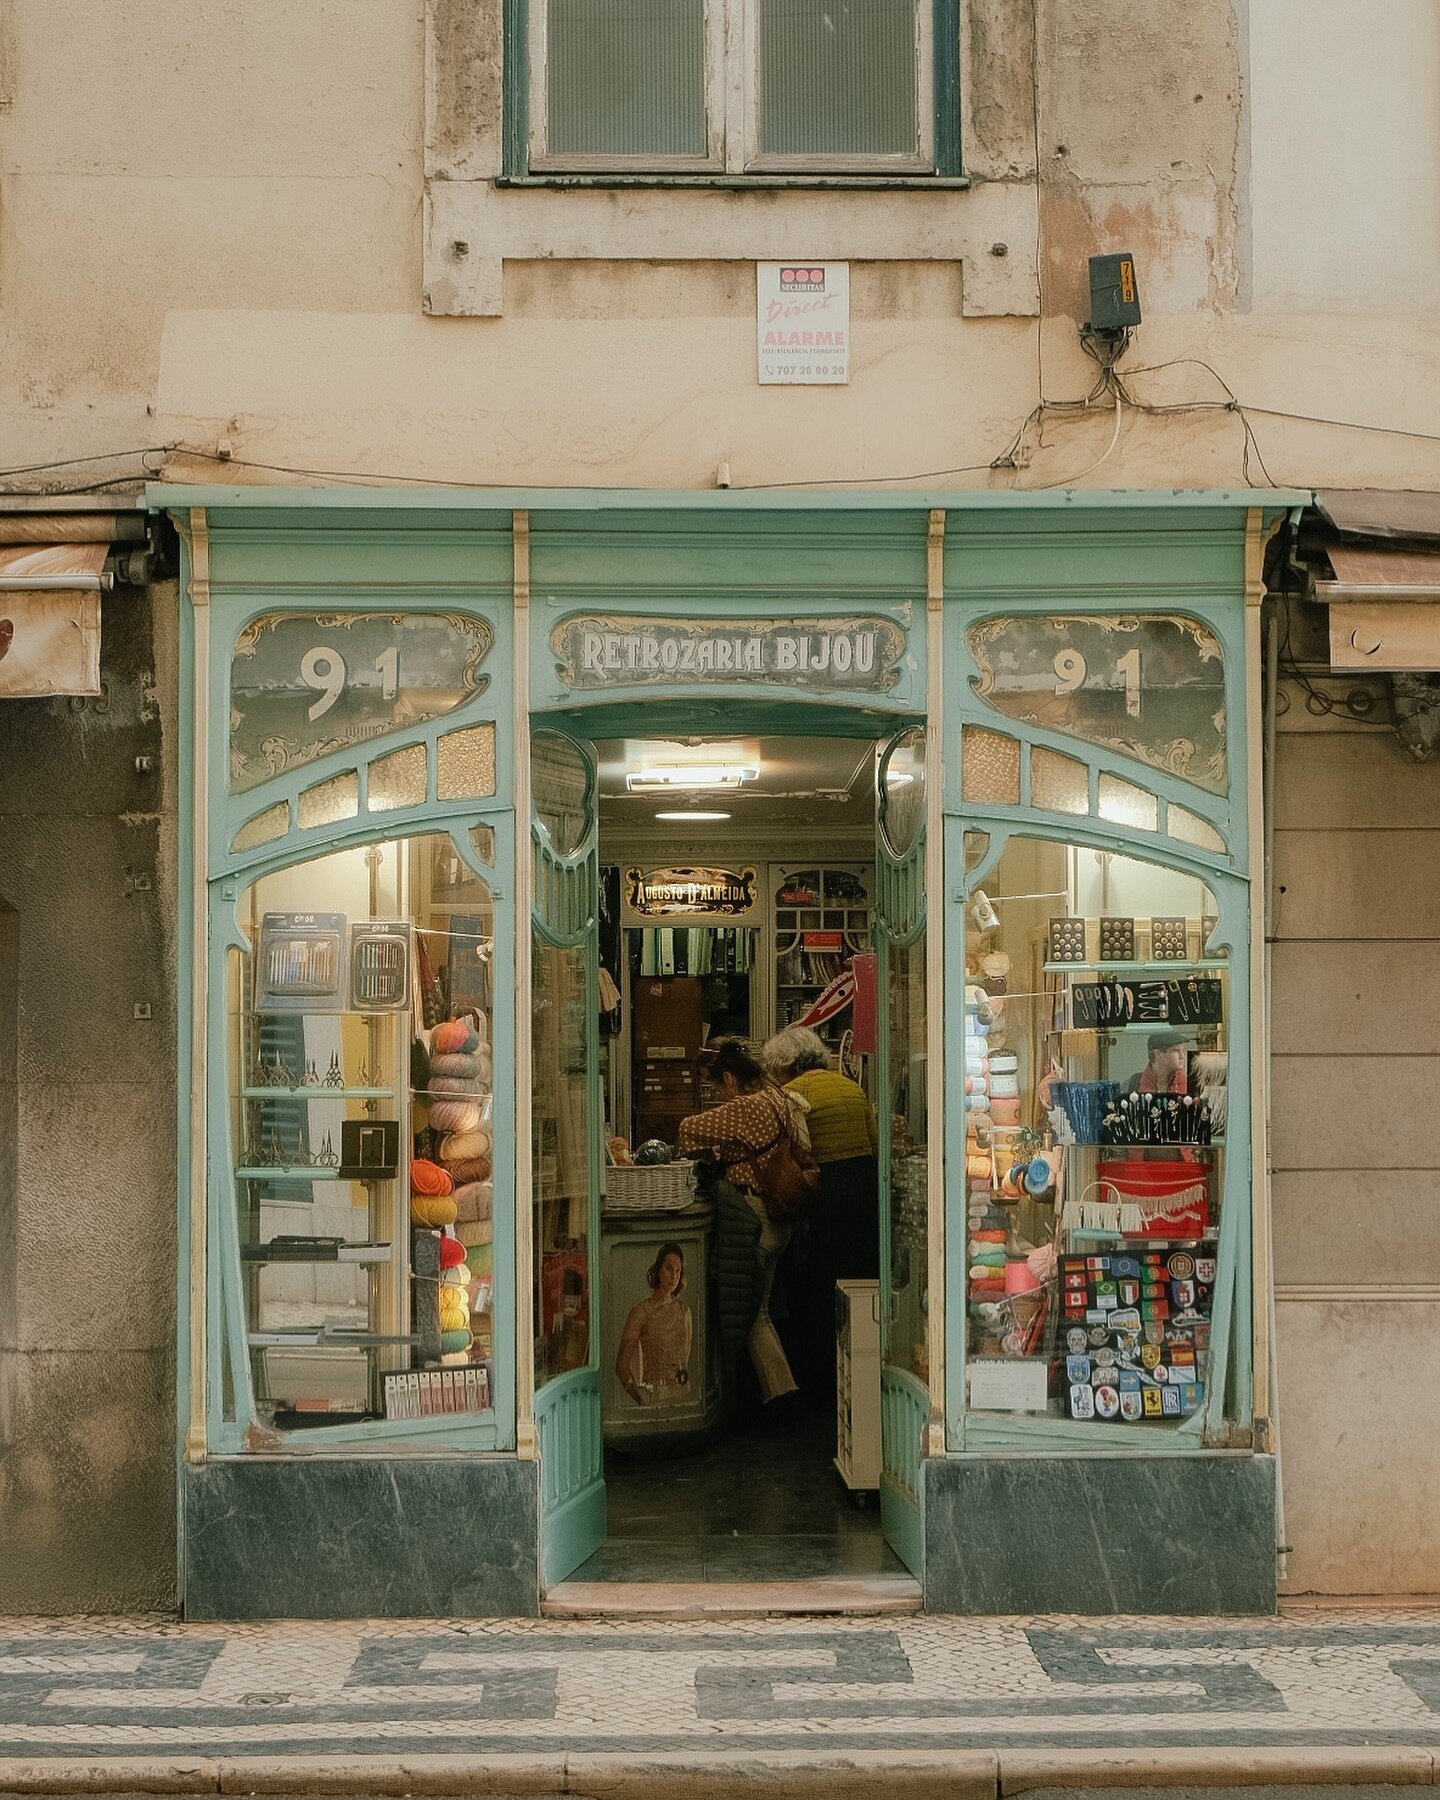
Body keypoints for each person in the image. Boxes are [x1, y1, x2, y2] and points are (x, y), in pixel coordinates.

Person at [678, 1039, 800, 1406]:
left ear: (729, 1079)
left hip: (754, 1216)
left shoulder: (745, 1107)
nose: (717, 1093)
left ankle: (782, 1397)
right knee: (761, 1308)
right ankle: (777, 1393)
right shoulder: (777, 1097)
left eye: (716, 1086)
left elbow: (687, 1130)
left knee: (752, 1316)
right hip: (781, 1216)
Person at [762, 1026, 880, 1398]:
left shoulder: (794, 1094)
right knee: (858, 1279)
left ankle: (820, 1378)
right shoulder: (851, 1087)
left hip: (824, 1192)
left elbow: (794, 1153)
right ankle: (861, 1368)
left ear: (786, 1067)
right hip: (862, 1186)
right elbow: (874, 1143)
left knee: (818, 1284)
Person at [614, 1243, 693, 1407]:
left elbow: (684, 1356)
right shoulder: (641, 1312)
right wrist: (641, 1400)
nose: (673, 1276)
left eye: (678, 1271)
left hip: (682, 1396)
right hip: (654, 1399)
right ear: (658, 1270)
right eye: (669, 1268)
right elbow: (621, 1367)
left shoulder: (684, 1311)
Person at [1127, 1030, 1191, 1095]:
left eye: (1182, 1050)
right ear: (1157, 1054)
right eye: (1176, 1051)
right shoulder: (1132, 1085)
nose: (1182, 1056)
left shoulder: (1188, 1085)